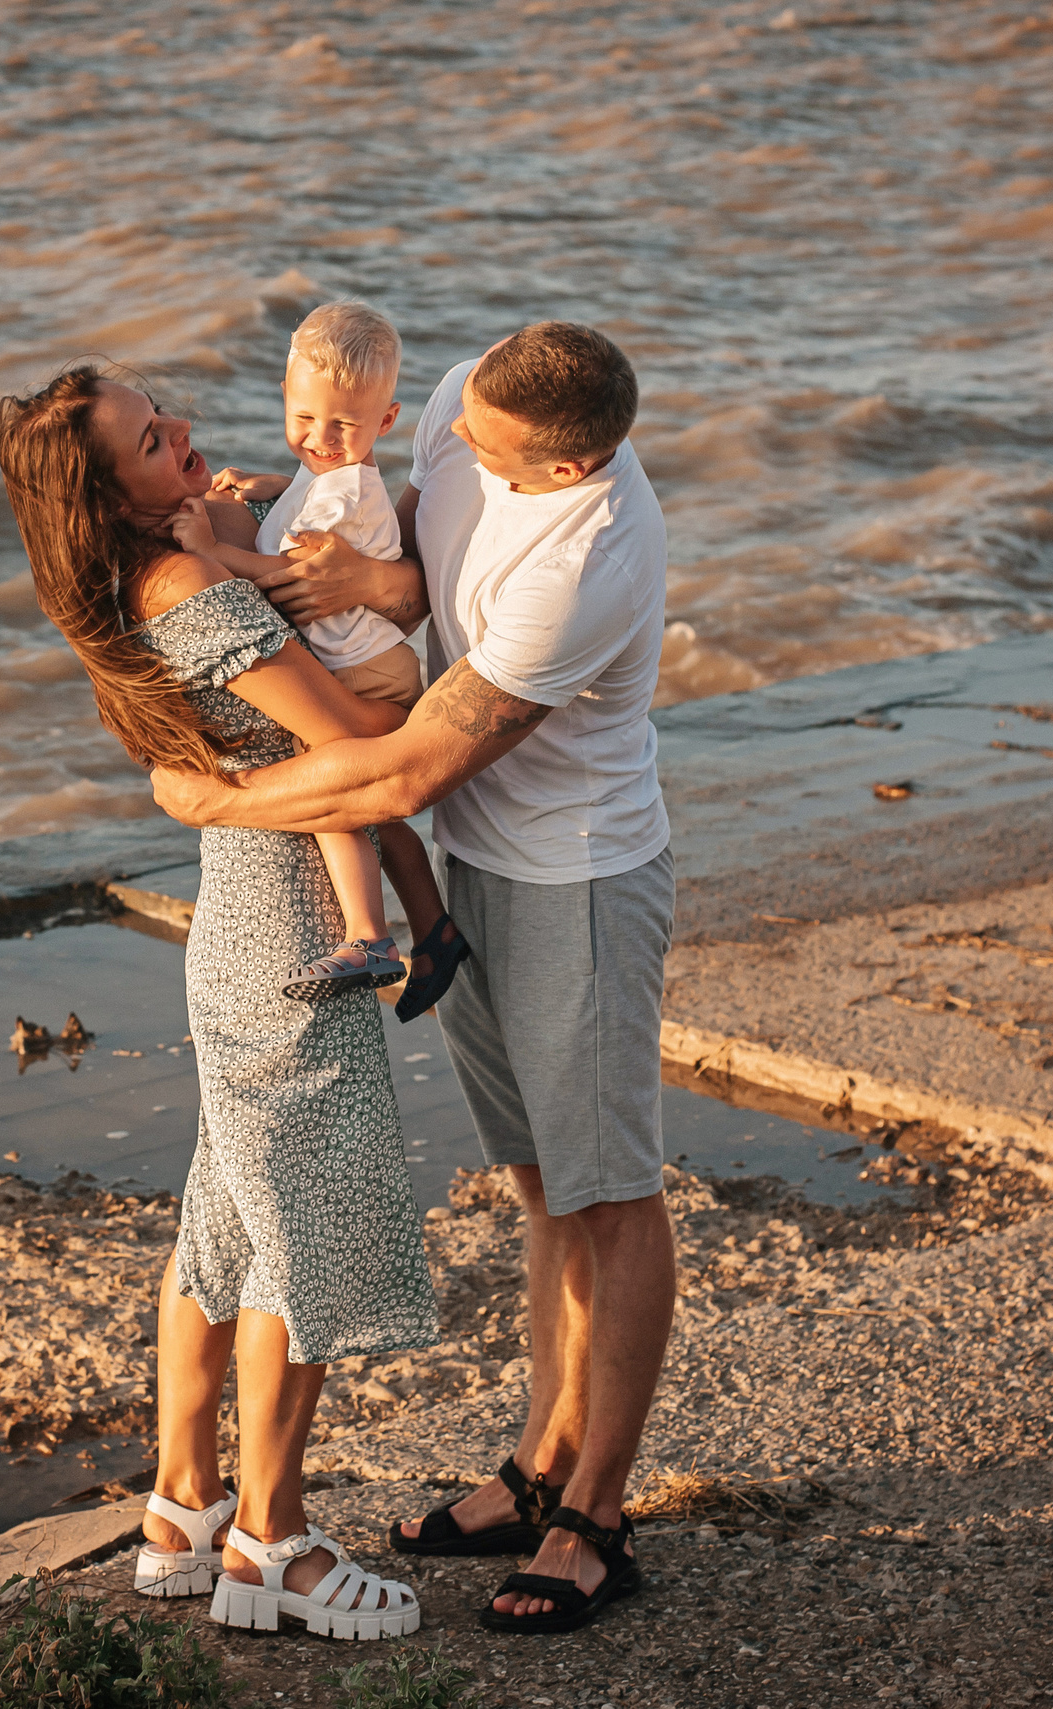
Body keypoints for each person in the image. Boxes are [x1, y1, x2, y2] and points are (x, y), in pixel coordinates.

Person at [150, 321, 676, 1635]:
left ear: (566, 466)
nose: (460, 452)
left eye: (490, 455)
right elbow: (414, 575)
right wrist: (373, 581)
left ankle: (596, 1514)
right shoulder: (462, 396)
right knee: (542, 1182)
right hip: (479, 858)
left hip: (576, 879)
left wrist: (212, 798)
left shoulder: (589, 561)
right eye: (460, 430)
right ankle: (539, 1464)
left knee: (610, 1192)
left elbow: (406, 766)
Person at [0, 365, 434, 1641]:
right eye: (151, 438)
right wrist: (418, 640)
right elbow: (355, 730)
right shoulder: (186, 585)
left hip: (244, 913)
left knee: (227, 1226)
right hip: (290, 928)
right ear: (108, 493)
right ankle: (271, 1546)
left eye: (166, 411)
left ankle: (182, 1511)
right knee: (301, 1224)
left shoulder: (146, 579)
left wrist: (259, 536)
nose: (181, 432)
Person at [168, 302, 460, 1014]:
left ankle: (369, 937)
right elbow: (314, 489)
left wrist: (212, 550)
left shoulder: (344, 492)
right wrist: (271, 485)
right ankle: (436, 930)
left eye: (343, 426)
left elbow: (288, 577)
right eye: (304, 417)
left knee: (331, 796)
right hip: (376, 662)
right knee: (380, 817)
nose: (321, 440)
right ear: (284, 396)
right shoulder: (329, 475)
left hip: (366, 672)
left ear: (386, 421)